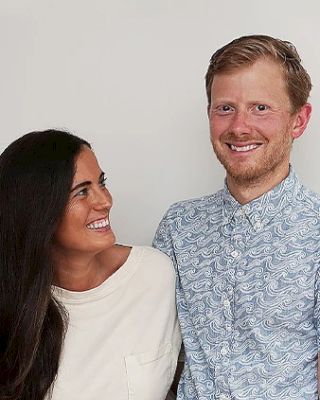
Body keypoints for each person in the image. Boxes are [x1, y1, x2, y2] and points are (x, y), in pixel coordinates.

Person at [153, 35, 320, 399]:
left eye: (261, 108)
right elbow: (154, 352)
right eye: (225, 108)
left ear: (299, 120)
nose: (239, 127)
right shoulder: (178, 227)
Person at [0, 129, 181, 400]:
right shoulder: (13, 304)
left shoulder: (155, 276)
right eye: (82, 192)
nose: (105, 201)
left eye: (101, 183)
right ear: (39, 211)